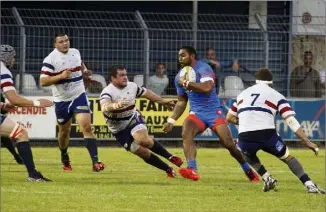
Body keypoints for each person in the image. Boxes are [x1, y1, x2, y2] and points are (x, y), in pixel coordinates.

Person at [163, 46, 259, 182]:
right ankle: (192, 169)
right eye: (179, 55)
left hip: (214, 112)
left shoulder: (204, 68)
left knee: (228, 144)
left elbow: (207, 88)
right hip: (197, 113)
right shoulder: (179, 76)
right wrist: (172, 120)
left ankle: (247, 169)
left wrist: (186, 83)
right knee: (186, 132)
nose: (180, 58)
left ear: (192, 56)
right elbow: (181, 101)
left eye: (183, 55)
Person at [226, 68, 325, 194]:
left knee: (244, 150)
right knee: (287, 157)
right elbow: (290, 120)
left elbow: (229, 117)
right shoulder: (276, 95)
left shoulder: (242, 94)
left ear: (256, 81)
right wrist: (307, 141)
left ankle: (267, 177)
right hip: (267, 134)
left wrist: (247, 122)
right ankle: (309, 185)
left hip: (245, 135)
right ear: (271, 83)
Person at [100, 65, 183, 178]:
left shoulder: (132, 86)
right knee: (142, 152)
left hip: (132, 118)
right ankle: (167, 169)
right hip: (118, 130)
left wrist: (163, 102)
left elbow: (147, 93)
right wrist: (116, 105)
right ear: (113, 78)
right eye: (121, 75)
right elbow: (104, 107)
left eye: (125, 74)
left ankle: (170, 157)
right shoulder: (108, 91)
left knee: (143, 140)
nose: (125, 77)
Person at [39, 33, 104, 172]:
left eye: (66, 40)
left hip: (78, 95)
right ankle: (64, 155)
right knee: (64, 132)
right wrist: (61, 76)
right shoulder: (50, 59)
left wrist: (85, 72)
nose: (65, 43)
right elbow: (43, 81)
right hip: (61, 100)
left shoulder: (75, 52)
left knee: (86, 127)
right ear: (55, 44)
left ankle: (95, 162)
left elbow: (80, 63)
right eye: (61, 41)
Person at [0, 44, 52, 182]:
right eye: (13, 58)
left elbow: (10, 101)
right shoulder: (3, 71)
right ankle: (33, 174)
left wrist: (3, 105)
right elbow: (14, 98)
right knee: (21, 133)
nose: (13, 61)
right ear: (6, 57)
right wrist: (37, 103)